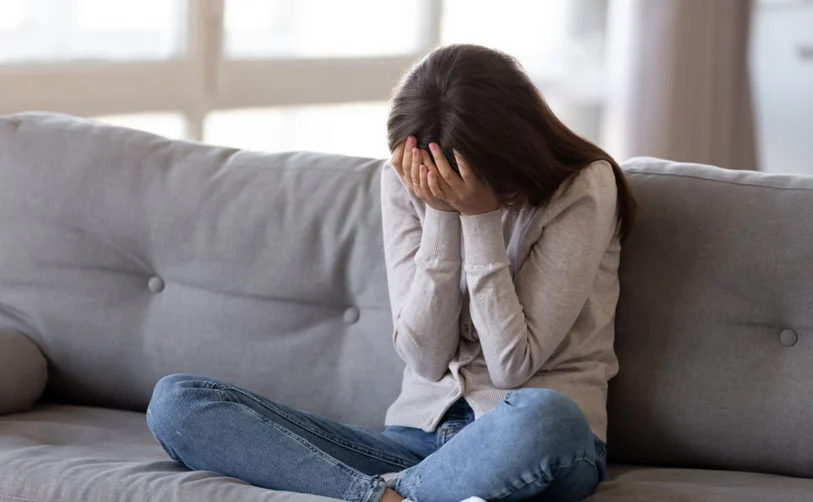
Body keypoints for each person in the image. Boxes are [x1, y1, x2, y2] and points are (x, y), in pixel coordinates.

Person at [146, 44, 635, 502]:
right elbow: (426, 358)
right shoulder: (404, 181)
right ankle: (382, 495)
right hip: (413, 445)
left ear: (510, 149)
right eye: (429, 176)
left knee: (547, 415)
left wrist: (478, 218)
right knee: (178, 403)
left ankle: (379, 492)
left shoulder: (583, 186)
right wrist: (439, 213)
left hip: (530, 443)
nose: (436, 185)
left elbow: (513, 366)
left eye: (453, 177)